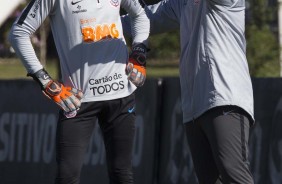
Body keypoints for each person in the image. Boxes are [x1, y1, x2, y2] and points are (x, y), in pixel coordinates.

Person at [9, 0, 149, 183]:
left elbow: (140, 15)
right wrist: (45, 81)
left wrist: (139, 51)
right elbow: (18, 32)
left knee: (122, 174)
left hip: (121, 94)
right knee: (67, 178)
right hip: (77, 100)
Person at [122, 0, 254, 183]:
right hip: (194, 107)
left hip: (225, 99)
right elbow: (141, 18)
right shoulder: (182, 3)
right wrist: (98, 21)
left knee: (234, 175)